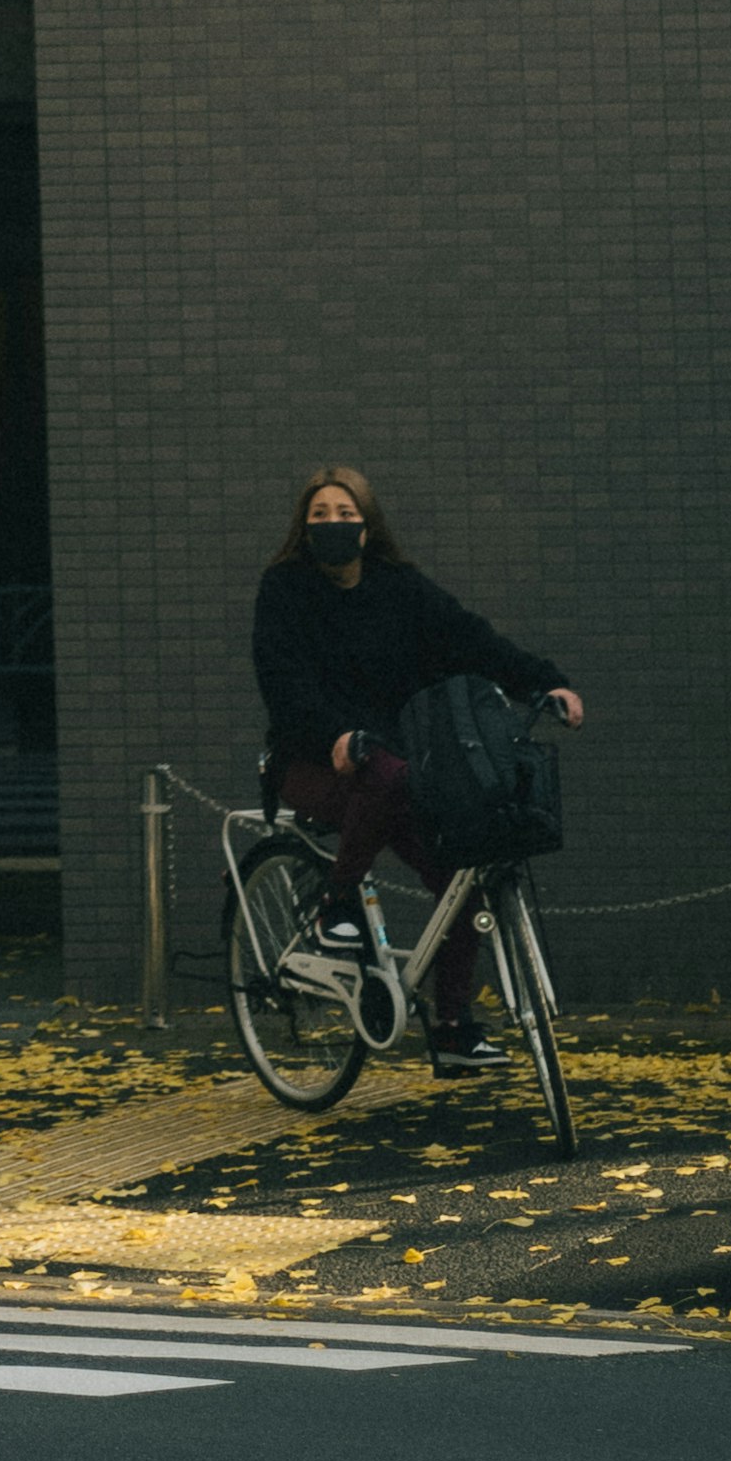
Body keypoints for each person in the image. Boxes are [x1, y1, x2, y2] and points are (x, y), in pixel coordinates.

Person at [253, 460, 585, 1079]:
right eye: (319, 514)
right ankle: (336, 902)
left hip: (393, 765)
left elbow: (469, 636)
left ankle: (453, 1029)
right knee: (381, 773)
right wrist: (334, 733)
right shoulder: (285, 589)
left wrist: (544, 684)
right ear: (303, 526)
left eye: (345, 514)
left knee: (462, 878)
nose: (332, 524)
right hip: (309, 760)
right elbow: (282, 681)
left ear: (367, 525)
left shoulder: (398, 587)